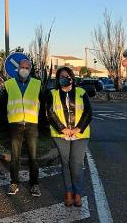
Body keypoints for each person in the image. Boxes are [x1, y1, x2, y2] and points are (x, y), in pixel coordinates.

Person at [46, 66, 92, 207]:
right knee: (65, 164)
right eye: (61, 76)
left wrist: (78, 128)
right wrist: (62, 129)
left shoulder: (81, 92)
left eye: (66, 76)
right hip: (60, 135)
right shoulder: (52, 94)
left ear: (72, 77)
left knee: (76, 164)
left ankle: (77, 193)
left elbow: (88, 113)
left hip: (80, 134)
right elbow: (50, 113)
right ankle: (68, 192)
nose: (64, 78)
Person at [4, 58, 42, 197]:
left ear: (30, 69)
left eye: (27, 67)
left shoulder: (37, 84)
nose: (24, 69)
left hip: (32, 125)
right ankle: (14, 183)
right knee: (15, 157)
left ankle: (35, 184)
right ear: (18, 68)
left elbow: (41, 104)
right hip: (15, 124)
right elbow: (4, 105)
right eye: (22, 67)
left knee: (33, 157)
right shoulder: (9, 84)